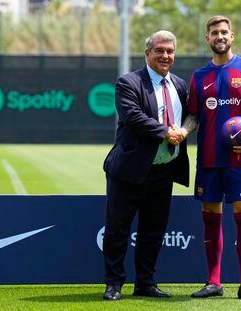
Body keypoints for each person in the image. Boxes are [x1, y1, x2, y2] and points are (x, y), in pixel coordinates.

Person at [180, 15, 241, 301]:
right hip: (208, 159)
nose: (219, 36)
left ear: (232, 36)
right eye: (214, 33)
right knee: (211, 219)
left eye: (224, 32)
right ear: (207, 39)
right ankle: (214, 282)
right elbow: (193, 115)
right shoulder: (198, 76)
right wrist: (183, 131)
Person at [102, 30, 189, 301]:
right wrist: (166, 132)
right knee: (118, 229)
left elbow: (191, 117)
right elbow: (133, 116)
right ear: (147, 53)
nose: (165, 56)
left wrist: (184, 131)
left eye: (170, 51)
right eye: (160, 50)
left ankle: (145, 283)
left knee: (154, 230)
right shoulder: (128, 82)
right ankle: (114, 284)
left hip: (163, 171)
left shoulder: (180, 85)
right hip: (129, 170)